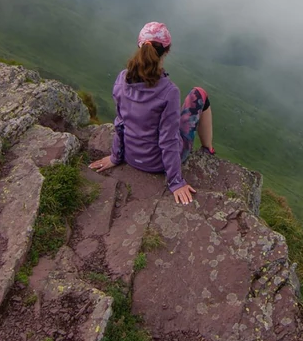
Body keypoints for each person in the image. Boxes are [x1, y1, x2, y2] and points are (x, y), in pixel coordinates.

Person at [89, 22, 215, 205]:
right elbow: (168, 140)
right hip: (158, 164)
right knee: (199, 94)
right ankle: (208, 150)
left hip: (131, 157)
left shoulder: (122, 79)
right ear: (166, 51)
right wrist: (176, 182)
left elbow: (120, 123)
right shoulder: (169, 91)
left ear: (139, 47)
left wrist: (115, 157)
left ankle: (205, 149)